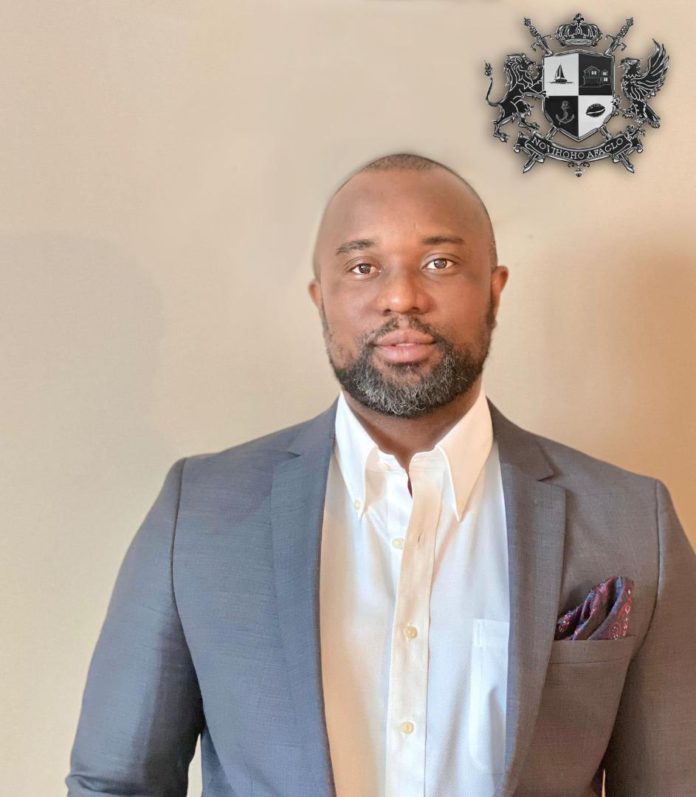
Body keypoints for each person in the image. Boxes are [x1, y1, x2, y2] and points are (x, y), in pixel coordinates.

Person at [66, 153, 696, 797]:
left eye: (439, 262)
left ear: (494, 289)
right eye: (363, 267)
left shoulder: (631, 521)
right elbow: (117, 782)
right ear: (321, 299)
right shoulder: (198, 514)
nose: (401, 297)